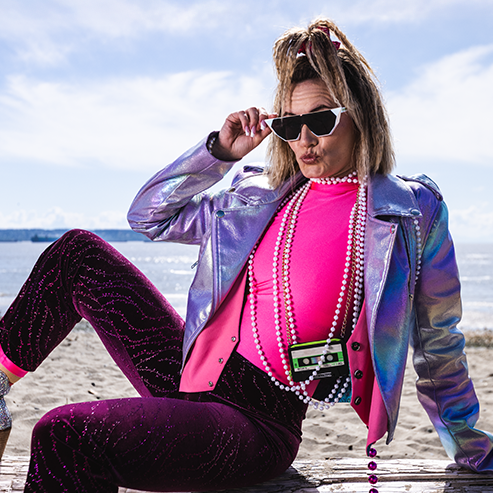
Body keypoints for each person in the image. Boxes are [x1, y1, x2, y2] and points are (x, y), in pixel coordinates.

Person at [0, 16, 492, 493]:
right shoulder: (261, 196)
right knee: (77, 254)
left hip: (257, 421)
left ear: (360, 116)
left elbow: (438, 343)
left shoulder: (408, 212)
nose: (304, 140)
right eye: (291, 125)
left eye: (321, 120)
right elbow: (148, 216)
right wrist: (218, 153)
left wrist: (472, 448)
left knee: (64, 434)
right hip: (192, 370)